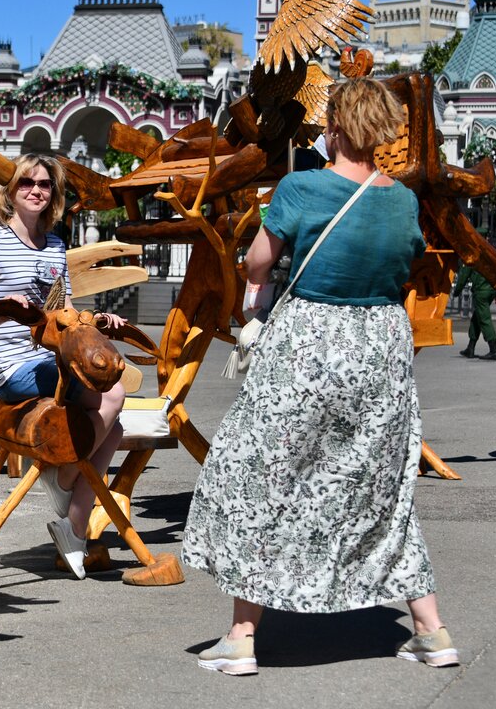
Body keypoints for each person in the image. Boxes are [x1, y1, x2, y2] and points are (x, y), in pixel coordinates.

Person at [181, 77, 457, 676]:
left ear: (333, 126)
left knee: (263, 476)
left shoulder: (301, 186)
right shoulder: (402, 200)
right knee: (380, 488)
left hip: (310, 345)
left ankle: (242, 637)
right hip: (381, 347)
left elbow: (259, 260)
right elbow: (405, 260)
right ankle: (432, 631)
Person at [0, 153, 126, 580]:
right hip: (13, 368)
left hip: (50, 360)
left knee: (117, 426)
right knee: (113, 394)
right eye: (27, 183)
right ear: (10, 191)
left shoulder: (55, 245)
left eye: (45, 184)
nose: (37, 190)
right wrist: (10, 311)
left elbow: (66, 316)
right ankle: (67, 489)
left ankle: (70, 515)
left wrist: (98, 322)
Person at [453, 262, 496, 359]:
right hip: (491, 290)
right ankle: (470, 348)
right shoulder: (488, 256)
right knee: (477, 318)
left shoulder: (472, 258)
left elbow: (463, 276)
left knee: (484, 319)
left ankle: (494, 350)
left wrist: (456, 292)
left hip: (481, 291)